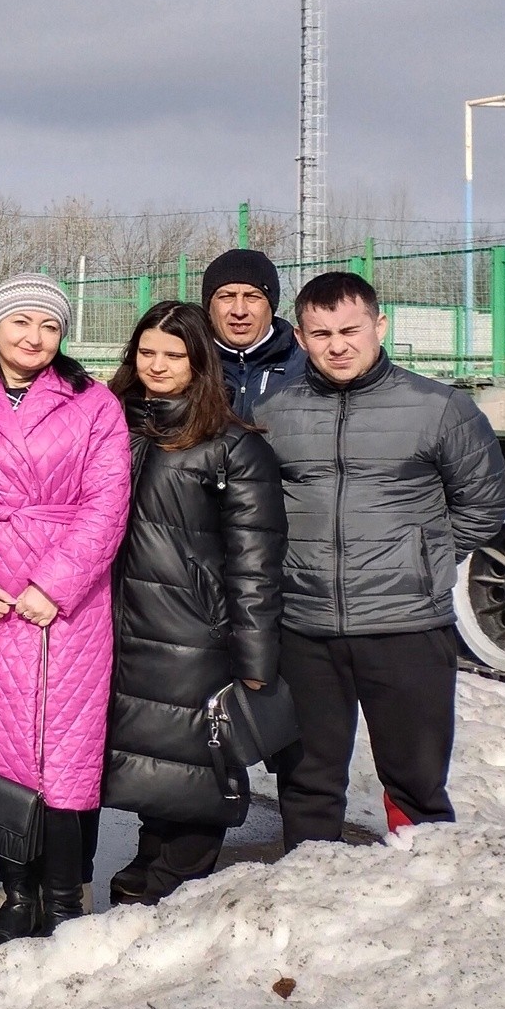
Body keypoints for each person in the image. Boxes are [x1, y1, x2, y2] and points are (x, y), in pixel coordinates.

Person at [258, 270, 505, 850]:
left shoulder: (440, 408)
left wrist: (421, 561)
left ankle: (423, 879)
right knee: (308, 781)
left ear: (380, 325)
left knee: (416, 781)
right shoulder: (274, 414)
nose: (337, 346)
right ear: (300, 338)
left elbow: (485, 502)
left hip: (406, 627)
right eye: (321, 334)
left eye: (350, 330)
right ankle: (311, 882)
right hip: (304, 628)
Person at [0, 276, 130, 947]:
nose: (34, 337)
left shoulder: (94, 402)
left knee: (65, 754)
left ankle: (65, 900)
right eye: (21, 321)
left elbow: (107, 504)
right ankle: (16, 898)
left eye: (49, 325)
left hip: (67, 606)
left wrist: (55, 584)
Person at [100, 300, 285, 903]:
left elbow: (255, 560)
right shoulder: (113, 425)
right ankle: (148, 860)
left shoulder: (233, 446)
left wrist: (255, 657)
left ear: (199, 362)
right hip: (119, 620)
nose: (156, 365)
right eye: (146, 352)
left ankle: (176, 879)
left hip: (193, 631)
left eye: (173, 355)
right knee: (147, 756)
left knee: (196, 762)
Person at [200, 247, 306, 421]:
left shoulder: (305, 365)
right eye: (227, 297)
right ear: (209, 307)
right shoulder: (190, 361)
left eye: (252, 297)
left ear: (271, 305)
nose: (239, 311)